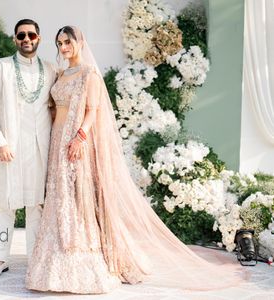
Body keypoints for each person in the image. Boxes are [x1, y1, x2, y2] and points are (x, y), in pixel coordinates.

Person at [25, 26, 245, 294]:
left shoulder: (89, 75)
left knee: (78, 197)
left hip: (76, 142)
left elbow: (93, 112)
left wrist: (80, 137)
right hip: (57, 141)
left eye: (68, 42)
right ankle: (55, 252)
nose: (63, 47)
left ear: (80, 42)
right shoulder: (61, 74)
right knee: (60, 197)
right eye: (59, 43)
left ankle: (81, 252)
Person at [0, 19, 57, 279]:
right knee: (5, 204)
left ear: (39, 38)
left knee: (36, 205)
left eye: (31, 34)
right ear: (15, 39)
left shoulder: (51, 69)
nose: (27, 39)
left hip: (39, 147)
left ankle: (34, 259)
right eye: (21, 35)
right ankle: (0, 258)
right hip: (9, 146)